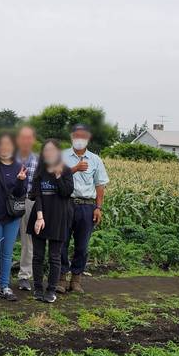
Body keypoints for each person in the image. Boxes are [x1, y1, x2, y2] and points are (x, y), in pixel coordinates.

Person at [59, 124, 109, 293]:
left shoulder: (95, 159)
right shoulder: (62, 156)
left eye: (83, 136)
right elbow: (55, 177)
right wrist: (74, 169)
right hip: (65, 204)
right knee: (61, 242)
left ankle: (76, 279)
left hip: (87, 206)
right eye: (76, 136)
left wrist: (98, 207)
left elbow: (100, 185)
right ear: (71, 137)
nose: (79, 139)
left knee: (82, 246)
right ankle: (61, 278)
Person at [27, 139, 74, 303]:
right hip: (39, 216)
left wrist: (58, 175)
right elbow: (36, 195)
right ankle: (38, 288)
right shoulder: (40, 170)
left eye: (52, 150)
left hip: (58, 217)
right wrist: (39, 217)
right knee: (38, 256)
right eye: (46, 150)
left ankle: (51, 290)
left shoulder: (66, 170)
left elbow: (66, 192)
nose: (49, 153)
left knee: (54, 256)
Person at [0, 132, 27, 301]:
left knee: (7, 253)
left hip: (12, 217)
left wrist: (21, 180)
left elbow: (19, 194)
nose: (5, 148)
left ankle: (5, 286)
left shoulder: (19, 167)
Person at [15, 126, 39, 292]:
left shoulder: (38, 160)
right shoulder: (9, 158)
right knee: (5, 239)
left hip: (30, 201)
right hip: (11, 201)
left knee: (28, 241)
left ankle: (24, 276)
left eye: (29, 138)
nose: (26, 141)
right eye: (23, 137)